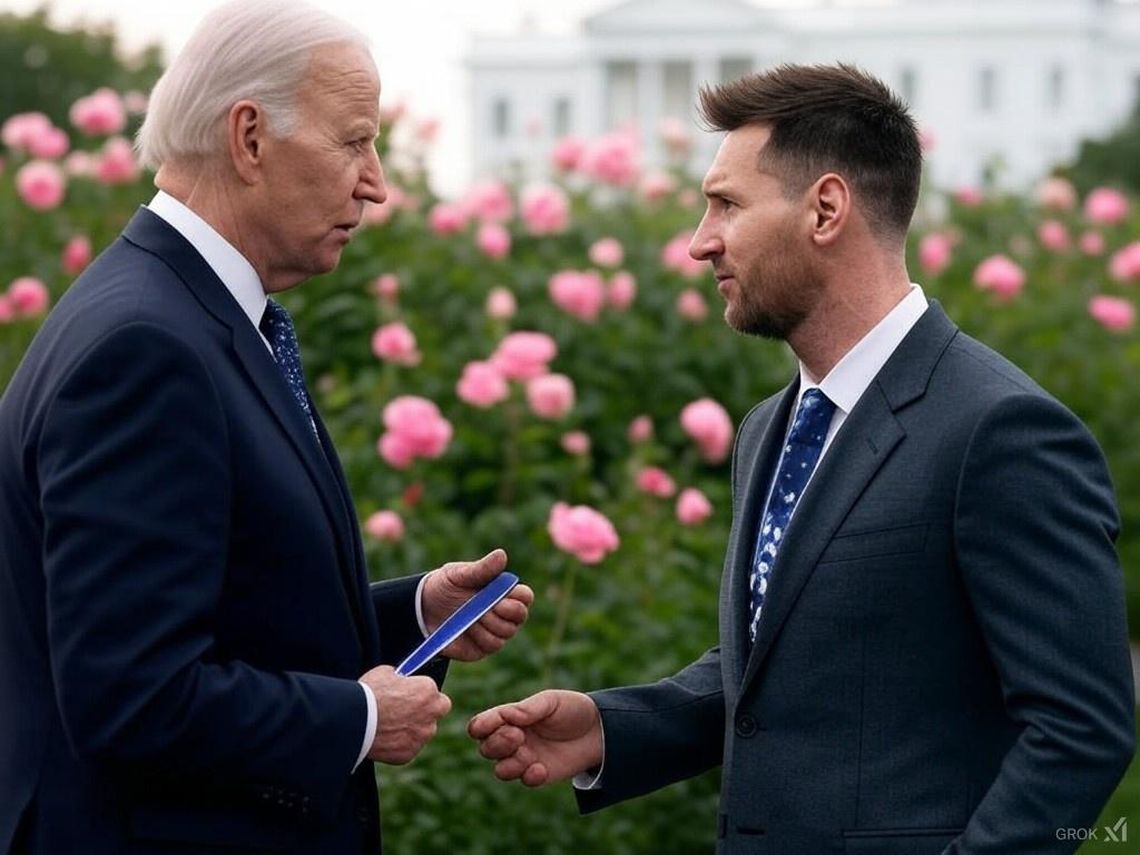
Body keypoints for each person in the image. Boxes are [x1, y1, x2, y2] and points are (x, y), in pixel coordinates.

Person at [469, 63, 1134, 854]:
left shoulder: (1001, 431)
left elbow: (1082, 727)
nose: (697, 241)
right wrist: (614, 728)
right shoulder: (769, 428)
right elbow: (788, 662)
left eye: (726, 204)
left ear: (825, 209)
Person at [0, 1, 533, 852]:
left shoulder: (192, 312)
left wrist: (416, 614)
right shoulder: (148, 346)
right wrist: (358, 717)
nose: (377, 182)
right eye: (354, 140)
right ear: (248, 137)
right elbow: (131, 695)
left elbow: (227, 612)